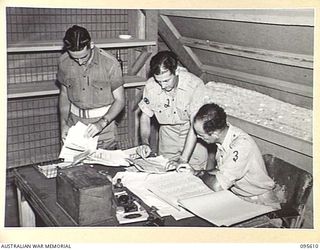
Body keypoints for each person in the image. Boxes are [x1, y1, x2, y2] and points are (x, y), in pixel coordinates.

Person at [190, 103, 283, 208]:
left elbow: (217, 186)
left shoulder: (240, 145)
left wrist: (200, 174)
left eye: (201, 135)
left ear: (215, 133)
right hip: (240, 196)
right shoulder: (224, 138)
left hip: (259, 200)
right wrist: (193, 172)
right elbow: (222, 172)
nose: (198, 137)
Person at [136, 50, 208, 170]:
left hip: (192, 135)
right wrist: (145, 142)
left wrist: (183, 160)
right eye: (159, 81)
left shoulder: (194, 85)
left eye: (166, 80)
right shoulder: (151, 85)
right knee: (166, 173)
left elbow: (194, 126)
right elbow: (145, 116)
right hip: (167, 134)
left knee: (194, 175)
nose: (163, 86)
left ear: (177, 71)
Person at [57, 25, 125, 149]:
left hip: (103, 129)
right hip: (75, 126)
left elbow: (120, 100)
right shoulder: (64, 62)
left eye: (83, 57)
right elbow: (64, 95)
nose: (79, 62)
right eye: (74, 58)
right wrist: (63, 124)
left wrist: (101, 123)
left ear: (91, 45)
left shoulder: (110, 63)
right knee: (73, 168)